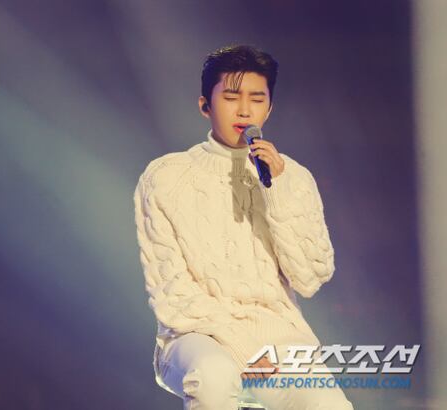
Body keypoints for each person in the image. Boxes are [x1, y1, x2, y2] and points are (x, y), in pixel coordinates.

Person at [133, 45, 354, 409]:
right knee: (214, 377)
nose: (244, 110)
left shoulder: (293, 177)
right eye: (231, 97)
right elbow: (172, 291)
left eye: (257, 99)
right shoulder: (165, 177)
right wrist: (241, 349)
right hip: (195, 335)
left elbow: (310, 277)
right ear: (205, 105)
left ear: (270, 108)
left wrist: (278, 189)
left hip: (277, 335)